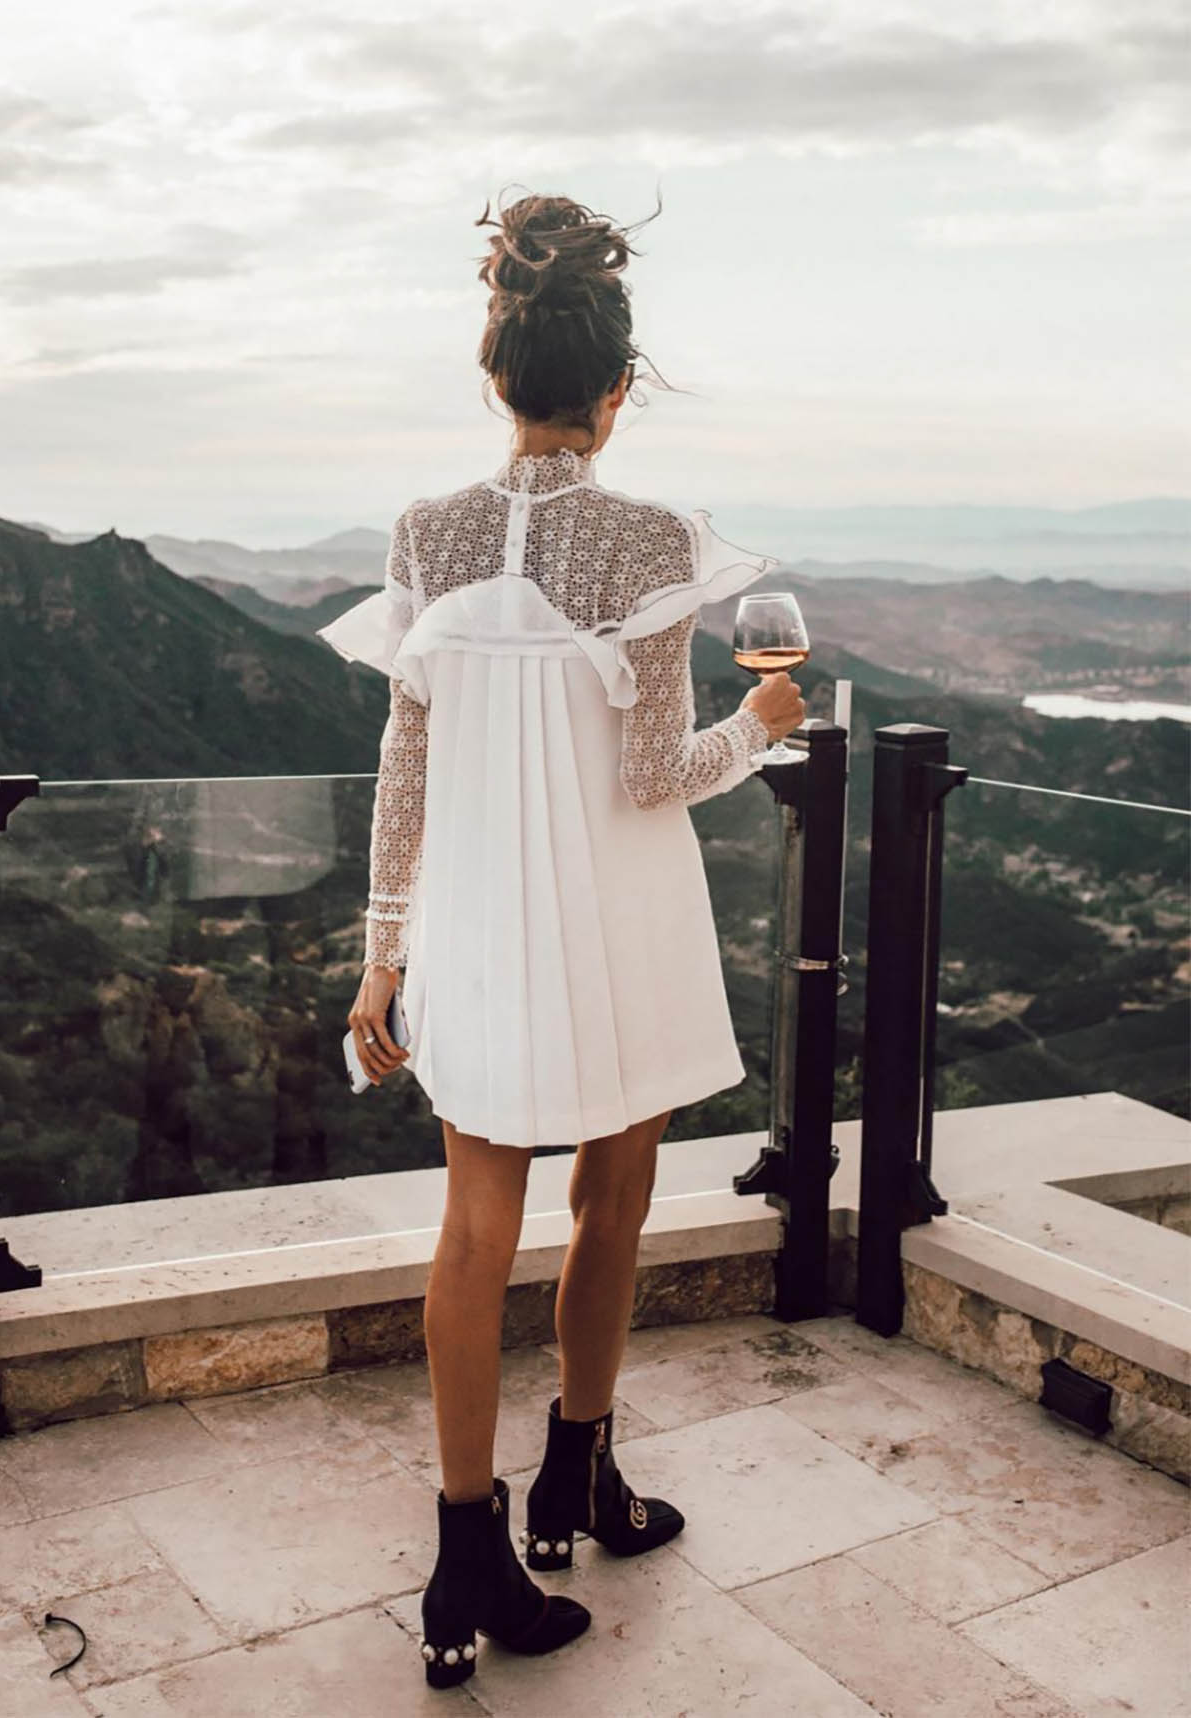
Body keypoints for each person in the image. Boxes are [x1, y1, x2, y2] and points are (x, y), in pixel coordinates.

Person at [315, 190, 805, 1692]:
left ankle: (467, 1553)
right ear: (615, 392)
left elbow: (406, 758)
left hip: (470, 916)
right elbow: (656, 774)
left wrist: (384, 949)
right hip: (620, 915)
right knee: (614, 1199)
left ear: (494, 376)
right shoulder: (650, 537)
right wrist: (761, 728)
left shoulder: (426, 530)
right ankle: (575, 1481)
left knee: (475, 1227)